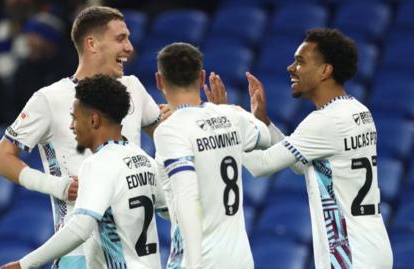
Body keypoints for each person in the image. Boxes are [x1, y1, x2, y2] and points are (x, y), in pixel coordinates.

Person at [0, 6, 162, 268]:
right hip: (77, 248)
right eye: (120, 39)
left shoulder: (133, 88)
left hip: (131, 249)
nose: (129, 47)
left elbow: (169, 137)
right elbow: (0, 158)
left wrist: (189, 113)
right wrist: (56, 186)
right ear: (92, 44)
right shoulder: (49, 98)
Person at [243, 28, 393, 268]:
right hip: (375, 248)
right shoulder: (360, 111)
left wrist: (228, 133)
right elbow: (303, 165)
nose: (290, 68)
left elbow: (260, 166)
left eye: (300, 61)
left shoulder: (324, 121)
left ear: (325, 70)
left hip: (349, 255)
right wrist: (265, 123)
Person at [0, 75, 163, 269]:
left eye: (74, 117)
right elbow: (172, 212)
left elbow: (79, 229)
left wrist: (24, 264)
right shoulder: (146, 160)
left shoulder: (97, 164)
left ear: (93, 120)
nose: (71, 125)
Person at [153, 42, 271, 269]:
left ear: (159, 80)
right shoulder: (231, 117)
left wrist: (193, 265)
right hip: (240, 260)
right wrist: (237, 111)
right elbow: (265, 136)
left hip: (200, 260)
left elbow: (187, 198)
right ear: (201, 77)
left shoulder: (170, 129)